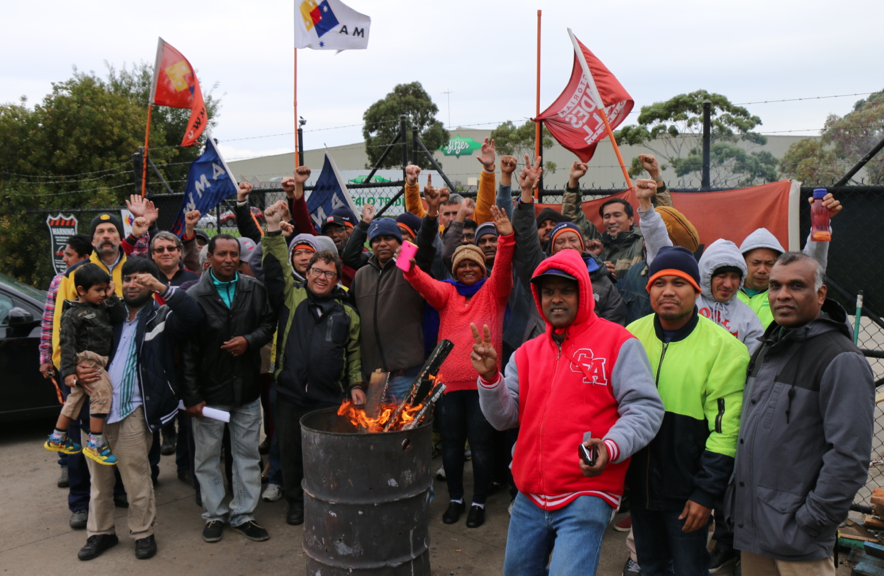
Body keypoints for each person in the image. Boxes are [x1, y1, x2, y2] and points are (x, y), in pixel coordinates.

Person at [472, 248, 664, 575]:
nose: (556, 299)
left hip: (587, 493)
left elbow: (645, 409)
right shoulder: (525, 353)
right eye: (548, 292)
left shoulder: (618, 342)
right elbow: (504, 417)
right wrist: (491, 378)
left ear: (584, 292)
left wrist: (611, 446)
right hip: (529, 494)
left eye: (565, 290)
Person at [730, 252, 874, 576]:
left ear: (820, 294)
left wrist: (813, 522)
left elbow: (849, 457)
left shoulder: (841, 360)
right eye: (775, 286)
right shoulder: (770, 346)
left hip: (800, 540)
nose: (782, 295)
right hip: (756, 530)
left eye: (796, 286)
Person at [625, 246, 749, 576]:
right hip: (638, 486)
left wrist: (705, 494)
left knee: (689, 568)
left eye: (678, 283)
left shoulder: (725, 350)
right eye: (659, 282)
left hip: (686, 493)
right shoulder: (629, 337)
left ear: (696, 291)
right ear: (648, 288)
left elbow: (726, 433)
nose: (667, 291)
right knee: (649, 565)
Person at [72, 256, 203, 561]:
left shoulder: (162, 317)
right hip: (93, 409)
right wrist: (75, 371)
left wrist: (162, 287)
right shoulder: (104, 314)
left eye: (141, 278)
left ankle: (142, 533)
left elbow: (194, 316)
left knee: (136, 478)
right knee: (99, 481)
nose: (133, 283)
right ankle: (100, 533)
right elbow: (72, 341)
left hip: (133, 410)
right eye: (128, 278)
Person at [404, 205, 515, 528]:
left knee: (481, 447)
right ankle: (455, 499)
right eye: (462, 264)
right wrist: (408, 244)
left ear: (482, 269)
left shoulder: (494, 292)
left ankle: (478, 501)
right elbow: (411, 273)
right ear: (454, 269)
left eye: (474, 264)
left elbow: (504, 267)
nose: (468, 268)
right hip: (448, 385)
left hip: (483, 384)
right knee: (451, 447)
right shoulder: (446, 294)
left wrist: (506, 236)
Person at [261, 200, 364, 526]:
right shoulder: (292, 297)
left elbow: (353, 355)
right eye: (316, 271)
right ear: (306, 272)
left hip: (328, 397)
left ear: (337, 278)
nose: (321, 277)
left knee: (326, 454)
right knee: (290, 451)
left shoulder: (347, 313)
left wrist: (357, 385)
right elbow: (276, 264)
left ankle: (326, 498)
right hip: (290, 393)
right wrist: (274, 230)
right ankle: (296, 502)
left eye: (328, 273)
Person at [181, 233, 276, 544]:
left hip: (246, 391)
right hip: (211, 395)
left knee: (247, 455)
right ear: (209, 257)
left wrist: (249, 340)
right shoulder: (194, 296)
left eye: (234, 254)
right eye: (221, 254)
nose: (228, 260)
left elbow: (268, 324)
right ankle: (215, 515)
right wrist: (193, 395)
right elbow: (187, 352)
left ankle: (243, 514)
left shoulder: (254, 289)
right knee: (207, 458)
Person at [513, 155, 626, 326]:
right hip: (545, 348)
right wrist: (527, 191)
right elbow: (525, 238)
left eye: (573, 240)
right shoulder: (539, 268)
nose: (567, 245)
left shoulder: (603, 280)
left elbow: (614, 323)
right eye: (560, 241)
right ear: (550, 249)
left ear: (583, 246)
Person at [45, 263, 126, 466]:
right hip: (89, 362)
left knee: (75, 401)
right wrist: (69, 372)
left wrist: (111, 295)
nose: (102, 294)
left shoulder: (102, 306)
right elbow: (67, 344)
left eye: (104, 289)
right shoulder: (72, 314)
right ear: (81, 290)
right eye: (98, 290)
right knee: (102, 395)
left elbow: (120, 316)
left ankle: (57, 437)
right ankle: (95, 443)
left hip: (96, 360)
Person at [350, 216, 430, 401]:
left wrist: (432, 215)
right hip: (374, 378)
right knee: (375, 430)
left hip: (406, 374)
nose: (382, 244)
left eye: (388, 238)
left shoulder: (408, 268)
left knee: (406, 428)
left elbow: (426, 247)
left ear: (399, 241)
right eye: (376, 240)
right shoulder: (361, 276)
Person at [738, 193, 841, 328]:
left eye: (770, 263)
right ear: (742, 263)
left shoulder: (783, 296)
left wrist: (821, 223)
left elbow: (812, 263)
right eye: (755, 263)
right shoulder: (724, 292)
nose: (762, 270)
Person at [39, 233, 92, 492]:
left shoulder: (97, 280)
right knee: (71, 421)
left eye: (69, 254)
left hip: (96, 367)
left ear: (84, 258)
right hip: (67, 366)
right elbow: (49, 322)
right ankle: (69, 468)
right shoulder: (59, 281)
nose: (64, 257)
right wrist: (45, 358)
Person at [563, 156, 667, 278]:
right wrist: (573, 181)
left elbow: (665, 221)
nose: (611, 221)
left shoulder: (644, 242)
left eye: (617, 215)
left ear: (631, 220)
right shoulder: (595, 244)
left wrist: (655, 175)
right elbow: (572, 220)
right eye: (607, 216)